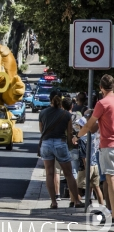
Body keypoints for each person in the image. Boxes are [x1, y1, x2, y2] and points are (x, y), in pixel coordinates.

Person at [39, 90, 84, 209]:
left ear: (50, 99)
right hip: (60, 143)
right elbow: (69, 133)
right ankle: (77, 201)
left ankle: (54, 202)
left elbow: (41, 131)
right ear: (61, 99)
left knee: (50, 173)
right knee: (69, 173)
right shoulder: (66, 115)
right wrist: (70, 145)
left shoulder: (42, 113)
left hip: (46, 144)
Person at [79, 74, 114, 223]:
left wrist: (77, 135)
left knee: (110, 178)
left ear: (101, 88)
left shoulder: (102, 103)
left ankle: (113, 215)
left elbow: (89, 125)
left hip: (108, 145)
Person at [74, 110, 105, 206]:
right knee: (96, 187)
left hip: (87, 166)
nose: (78, 128)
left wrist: (86, 168)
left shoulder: (82, 140)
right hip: (95, 164)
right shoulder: (93, 136)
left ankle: (77, 203)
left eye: (79, 126)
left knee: (79, 187)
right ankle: (102, 205)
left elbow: (84, 156)